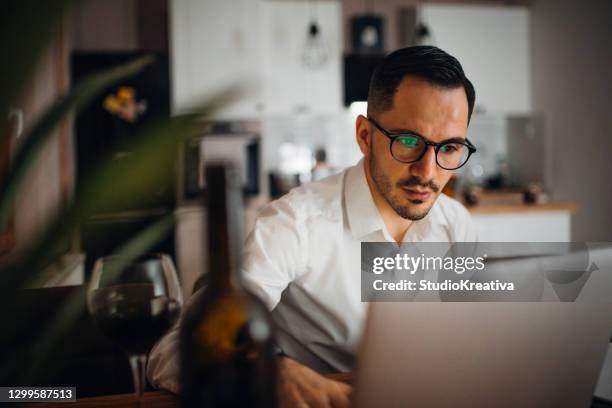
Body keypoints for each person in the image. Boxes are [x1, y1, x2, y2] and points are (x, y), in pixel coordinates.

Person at [148, 45, 478, 407]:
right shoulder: (295, 224)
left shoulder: (455, 224)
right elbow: (170, 350)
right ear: (365, 136)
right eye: (409, 141)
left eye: (449, 148)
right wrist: (270, 374)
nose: (428, 173)